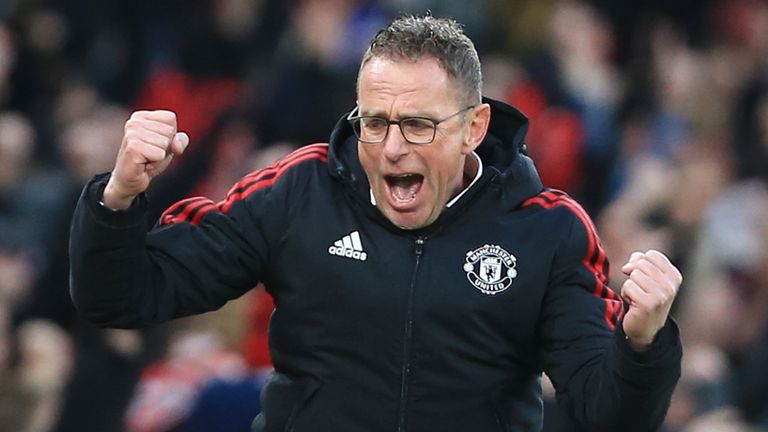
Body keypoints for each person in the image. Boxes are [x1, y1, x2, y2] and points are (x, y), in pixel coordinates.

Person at [69, 15, 683, 432]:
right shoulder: (298, 190)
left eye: (417, 124)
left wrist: (644, 342)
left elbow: (609, 413)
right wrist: (118, 198)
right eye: (374, 121)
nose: (391, 148)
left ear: (474, 128)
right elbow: (123, 296)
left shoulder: (547, 229)